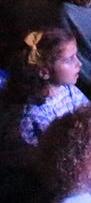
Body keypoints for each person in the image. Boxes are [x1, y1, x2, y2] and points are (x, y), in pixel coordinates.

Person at [1, 27, 86, 170]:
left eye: (76, 56)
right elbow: (46, 160)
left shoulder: (70, 90)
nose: (79, 63)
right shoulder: (32, 115)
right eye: (69, 59)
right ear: (44, 72)